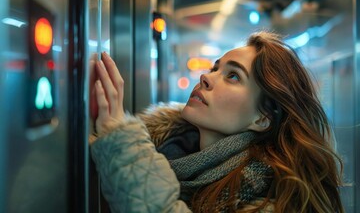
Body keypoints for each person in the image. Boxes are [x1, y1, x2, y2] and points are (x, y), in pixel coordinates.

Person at [89, 31, 344, 212]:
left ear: (262, 118)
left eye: (233, 76)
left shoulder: (269, 200)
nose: (206, 78)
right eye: (215, 68)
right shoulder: (163, 152)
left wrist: (122, 143)